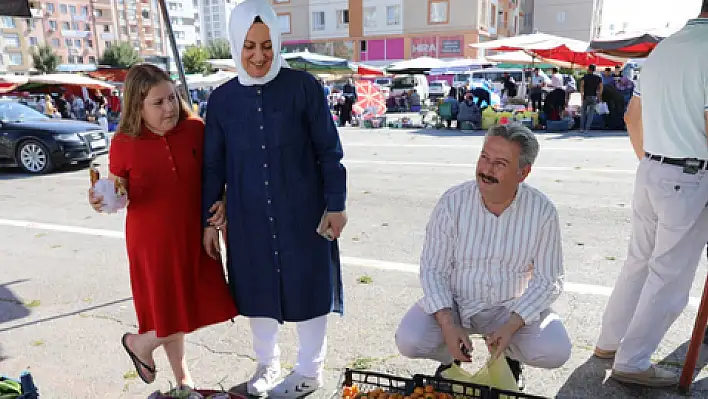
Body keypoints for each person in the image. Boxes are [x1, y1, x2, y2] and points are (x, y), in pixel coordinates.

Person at [201, 0, 348, 397]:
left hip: (304, 212)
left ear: (278, 43)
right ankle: (267, 365)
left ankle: (310, 370)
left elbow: (328, 150)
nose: (259, 55)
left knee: (310, 285)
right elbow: (213, 164)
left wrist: (336, 203)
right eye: (249, 45)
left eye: (267, 45)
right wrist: (208, 219)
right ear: (235, 43)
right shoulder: (222, 101)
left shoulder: (304, 87)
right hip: (248, 215)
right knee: (257, 287)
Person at [87, 63, 237, 389]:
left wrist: (223, 200)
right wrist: (102, 199)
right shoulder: (123, 142)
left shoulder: (196, 128)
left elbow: (218, 174)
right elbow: (119, 190)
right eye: (158, 103)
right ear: (137, 106)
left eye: (172, 98)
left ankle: (142, 344)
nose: (169, 107)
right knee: (168, 309)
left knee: (201, 301)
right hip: (150, 240)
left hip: (193, 233)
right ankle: (183, 382)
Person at [395, 124, 571, 391]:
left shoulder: (542, 211)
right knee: (410, 339)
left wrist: (513, 324)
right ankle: (451, 358)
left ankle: (508, 357)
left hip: (509, 307)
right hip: (457, 304)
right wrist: (448, 323)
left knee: (555, 349)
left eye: (499, 164)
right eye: (484, 158)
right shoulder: (452, 202)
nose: (486, 170)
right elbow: (433, 269)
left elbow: (549, 280)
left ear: (523, 173)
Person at [594, 3, 708, 388]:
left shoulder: (663, 49)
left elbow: (631, 117)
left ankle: (610, 343)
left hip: (652, 169)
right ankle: (633, 359)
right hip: (689, 174)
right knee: (669, 278)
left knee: (639, 263)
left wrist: (652, 162)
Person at [579, 64, 603, 133]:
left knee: (583, 112)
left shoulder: (584, 77)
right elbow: (601, 87)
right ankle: (587, 129)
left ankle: (581, 128)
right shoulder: (598, 78)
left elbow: (581, 87)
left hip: (585, 97)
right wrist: (599, 95)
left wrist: (581, 96)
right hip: (593, 97)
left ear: (589, 69)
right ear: (594, 70)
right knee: (591, 114)